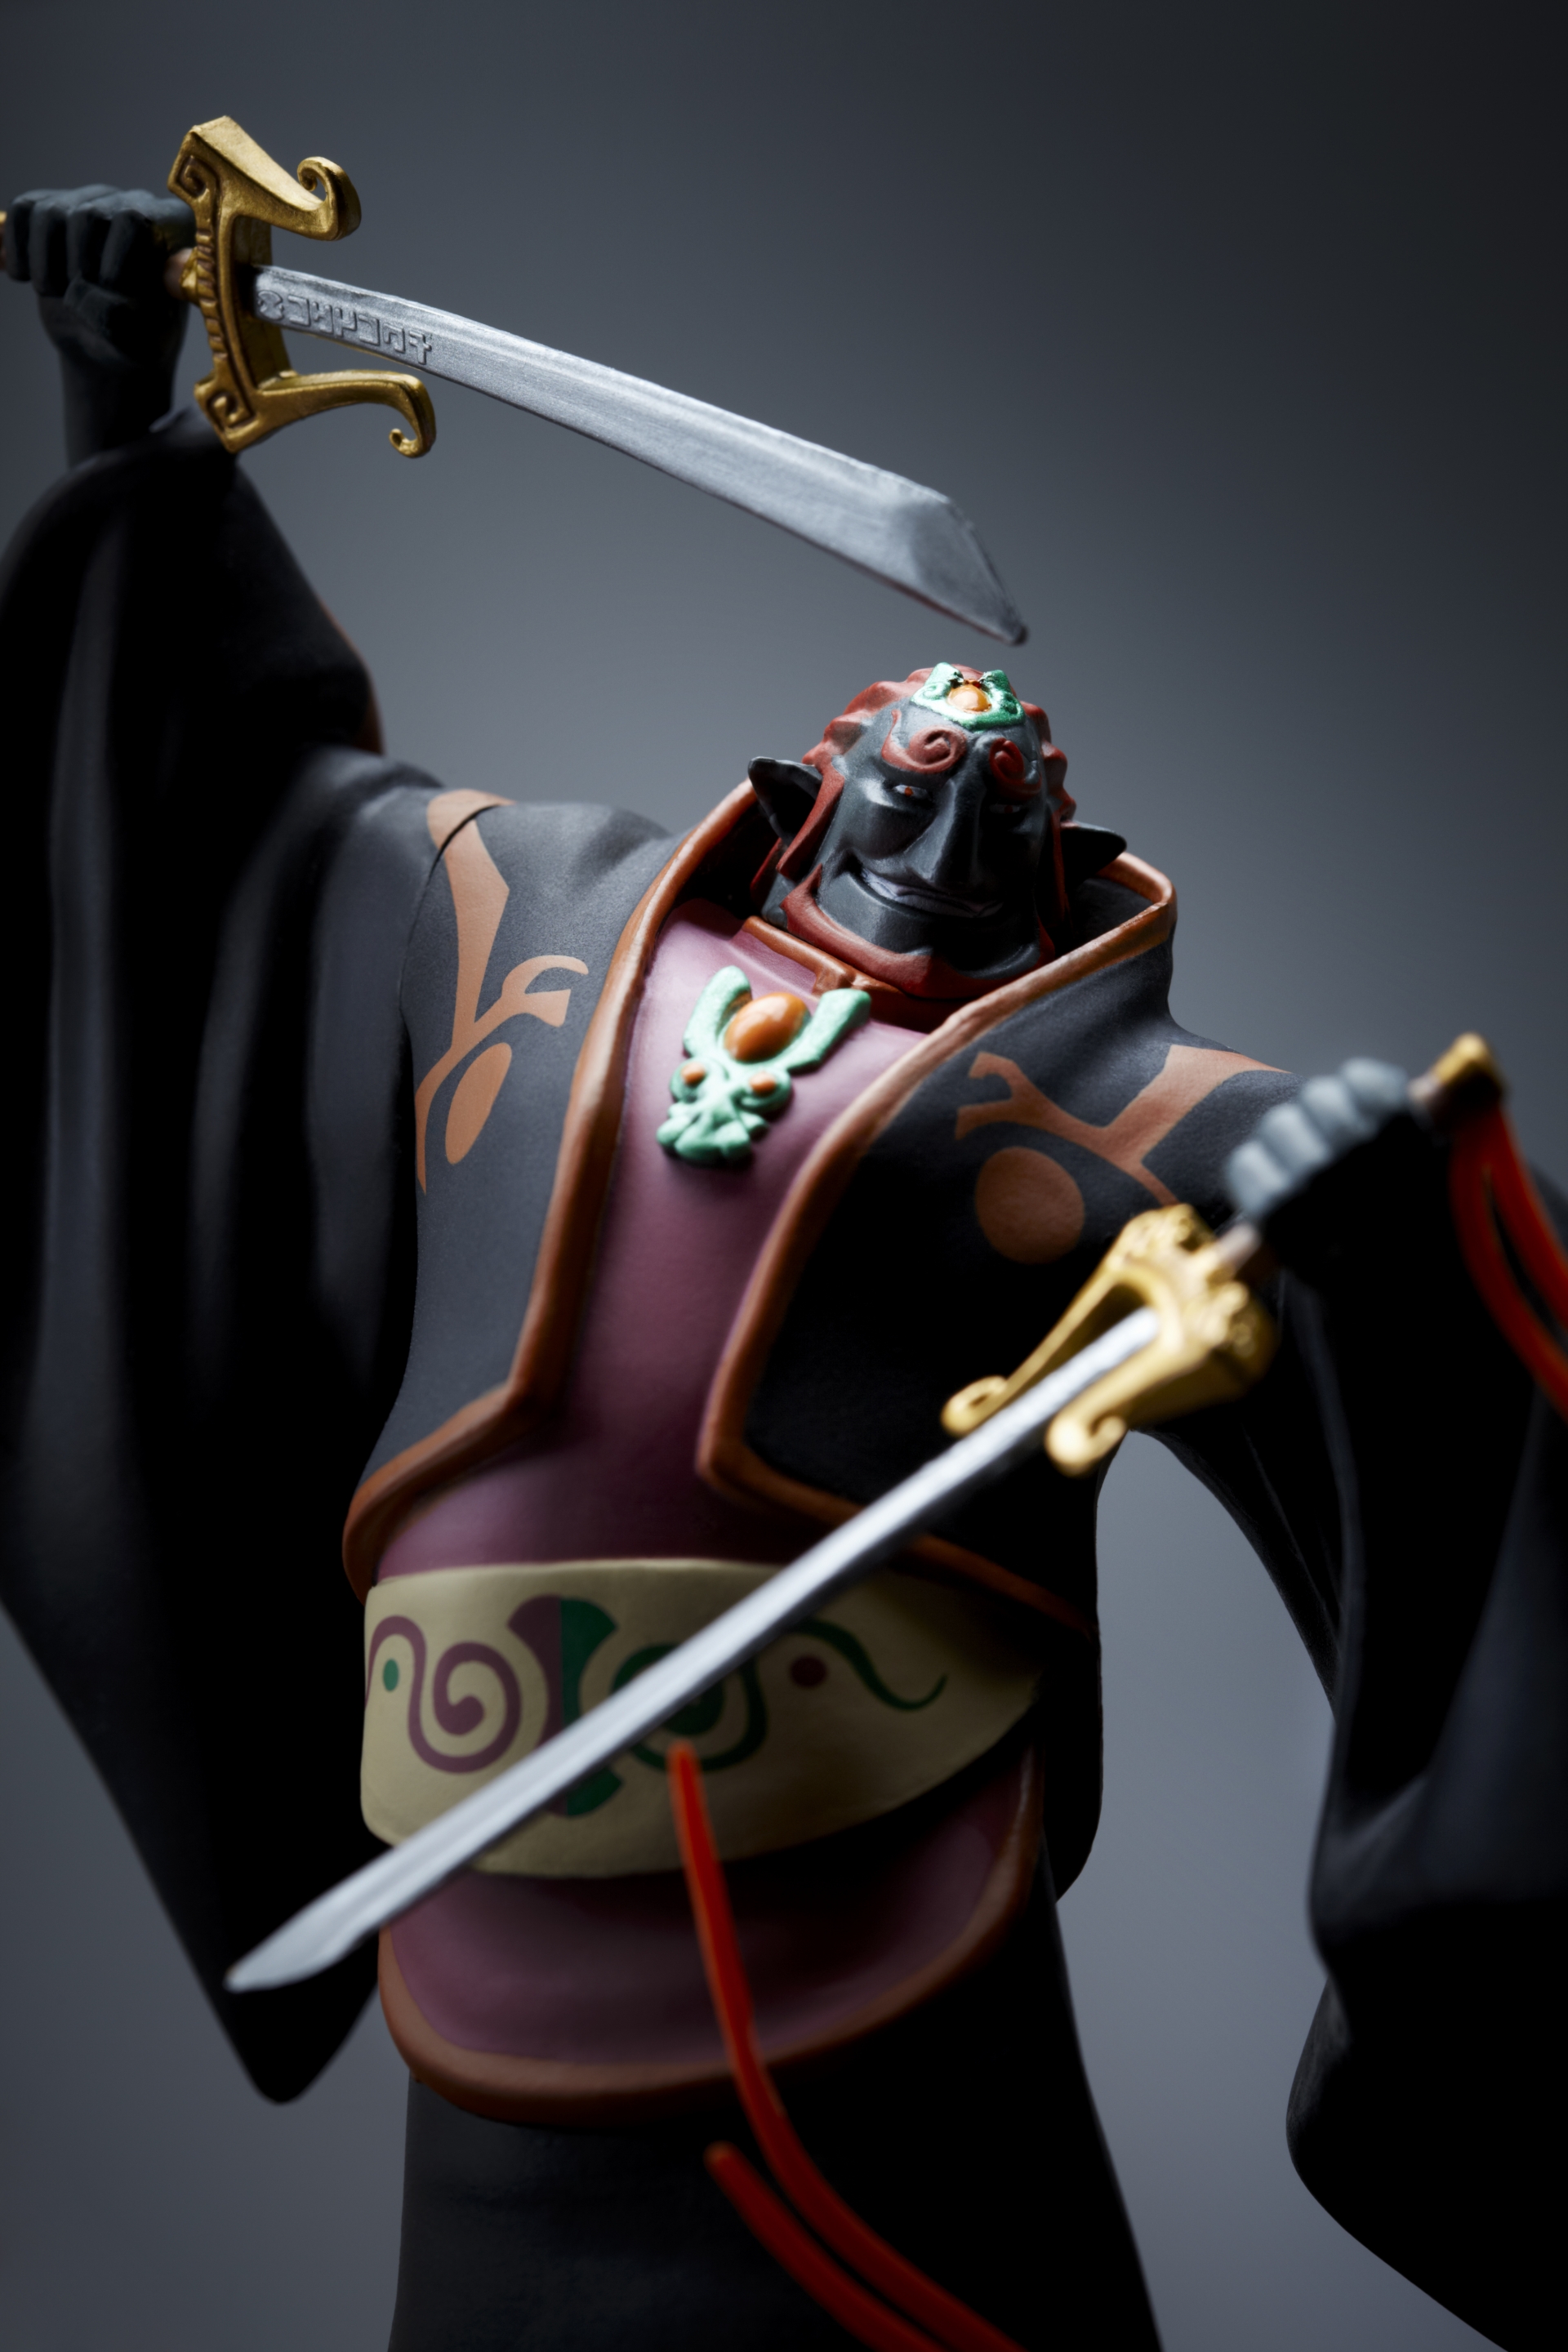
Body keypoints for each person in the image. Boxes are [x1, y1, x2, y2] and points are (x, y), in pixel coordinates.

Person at [2, 185, 1562, 2352]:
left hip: (879, 1984)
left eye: (1018, 792)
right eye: (922, 765)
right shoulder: (524, 917)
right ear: (805, 784)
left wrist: (1390, 1223)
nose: (970, 805)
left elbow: (1409, 1326)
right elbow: (197, 843)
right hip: (491, 1953)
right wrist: (116, 393)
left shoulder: (1121, 1112)